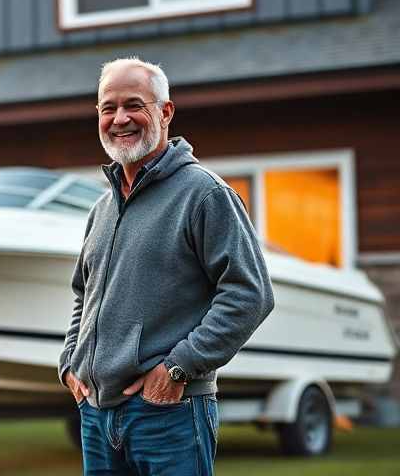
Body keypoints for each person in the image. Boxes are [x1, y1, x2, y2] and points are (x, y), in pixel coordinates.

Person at [58, 57, 275, 475]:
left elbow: (250, 294)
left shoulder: (205, 195)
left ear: (165, 112)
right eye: (108, 108)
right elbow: (84, 296)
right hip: (96, 417)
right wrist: (71, 364)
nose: (120, 118)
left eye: (133, 105)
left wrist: (179, 367)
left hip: (169, 413)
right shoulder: (102, 209)